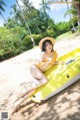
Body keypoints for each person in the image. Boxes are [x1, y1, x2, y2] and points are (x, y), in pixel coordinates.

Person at [12, 37, 58, 114]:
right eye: (46, 45)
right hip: (35, 69)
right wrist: (47, 62)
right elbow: (39, 62)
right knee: (45, 80)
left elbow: (54, 61)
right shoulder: (43, 53)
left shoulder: (54, 53)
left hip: (40, 73)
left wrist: (55, 62)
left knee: (33, 90)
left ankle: (17, 103)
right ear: (44, 47)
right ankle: (25, 90)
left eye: (50, 44)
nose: (49, 46)